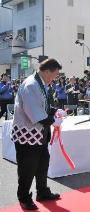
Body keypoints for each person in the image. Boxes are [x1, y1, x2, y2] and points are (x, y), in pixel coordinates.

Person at [11, 59, 64, 210]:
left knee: (42, 164)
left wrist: (55, 110)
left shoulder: (41, 84)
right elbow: (35, 113)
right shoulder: (31, 85)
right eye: (54, 75)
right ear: (47, 71)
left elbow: (44, 105)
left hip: (39, 134)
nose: (54, 78)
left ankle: (42, 191)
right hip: (27, 134)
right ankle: (24, 197)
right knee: (27, 168)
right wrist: (53, 120)